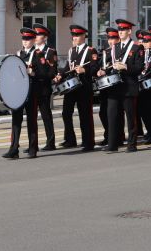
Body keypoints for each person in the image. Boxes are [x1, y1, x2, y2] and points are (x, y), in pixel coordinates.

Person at [4, 28, 49, 159]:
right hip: (19, 92)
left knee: (31, 120)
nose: (25, 42)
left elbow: (45, 73)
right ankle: (13, 148)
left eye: (28, 39)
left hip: (32, 91)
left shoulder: (38, 54)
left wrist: (33, 73)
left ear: (34, 40)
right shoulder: (18, 54)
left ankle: (33, 148)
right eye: (24, 39)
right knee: (16, 120)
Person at [55, 25, 99, 151]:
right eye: (73, 36)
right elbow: (68, 66)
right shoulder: (71, 50)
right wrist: (60, 74)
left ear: (83, 36)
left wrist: (84, 69)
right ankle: (70, 139)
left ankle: (88, 142)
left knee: (85, 115)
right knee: (66, 113)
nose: (74, 38)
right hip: (72, 87)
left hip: (84, 87)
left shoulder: (91, 51)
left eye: (77, 36)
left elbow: (95, 67)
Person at [103, 19, 144, 152]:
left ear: (129, 31)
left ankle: (132, 144)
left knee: (131, 117)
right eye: (119, 30)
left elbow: (139, 68)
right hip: (115, 87)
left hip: (129, 86)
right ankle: (113, 144)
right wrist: (103, 70)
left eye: (123, 30)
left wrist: (125, 66)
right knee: (112, 115)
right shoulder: (114, 48)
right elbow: (109, 66)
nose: (120, 32)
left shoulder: (137, 47)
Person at [32, 23, 58, 151]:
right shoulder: (31, 51)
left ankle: (50, 142)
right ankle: (33, 144)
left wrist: (39, 74)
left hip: (43, 88)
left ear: (45, 37)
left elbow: (52, 71)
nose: (35, 37)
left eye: (38, 35)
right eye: (35, 35)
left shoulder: (50, 52)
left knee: (45, 115)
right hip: (31, 88)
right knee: (32, 117)